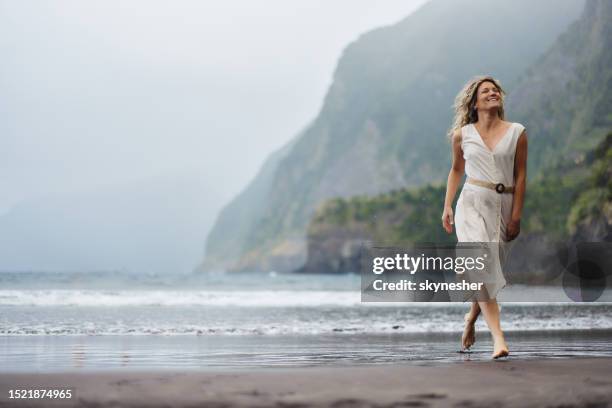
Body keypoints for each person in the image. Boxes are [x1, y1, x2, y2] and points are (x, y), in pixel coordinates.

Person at [441, 75, 528, 359]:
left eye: (495, 90)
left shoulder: (517, 132)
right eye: (486, 91)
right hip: (472, 202)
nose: (492, 93)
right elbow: (456, 170)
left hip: (503, 205)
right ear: (474, 103)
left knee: (488, 273)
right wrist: (448, 206)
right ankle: (499, 339)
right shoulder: (462, 135)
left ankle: (470, 318)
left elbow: (521, 175)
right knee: (482, 269)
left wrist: (516, 216)